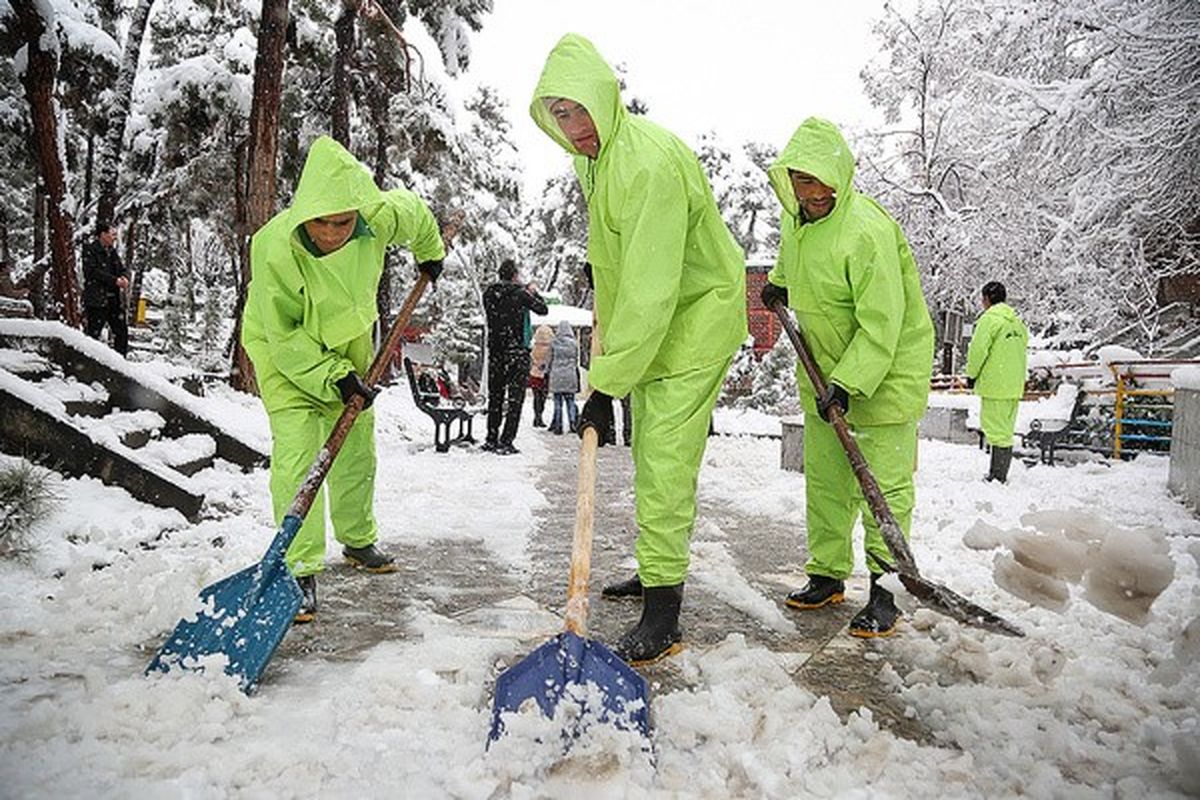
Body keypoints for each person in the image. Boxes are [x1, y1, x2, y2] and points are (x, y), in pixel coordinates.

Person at [531, 33, 748, 664]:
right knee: (650, 454)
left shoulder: (647, 163)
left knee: (664, 462)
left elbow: (652, 290)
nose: (573, 127)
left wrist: (604, 384)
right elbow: (623, 267)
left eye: (580, 109)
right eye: (559, 114)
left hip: (693, 321)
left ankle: (664, 613)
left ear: (604, 98)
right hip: (656, 328)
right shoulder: (597, 162)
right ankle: (657, 569)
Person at [241, 135, 446, 623]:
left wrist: (430, 251)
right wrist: (333, 376)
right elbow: (284, 334)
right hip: (285, 353)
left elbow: (416, 213)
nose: (332, 232)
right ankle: (298, 568)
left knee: (356, 448)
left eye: (342, 222)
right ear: (305, 213)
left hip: (350, 343)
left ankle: (357, 539)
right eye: (322, 222)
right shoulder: (274, 246)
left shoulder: (376, 217)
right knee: (300, 457)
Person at [760, 117, 934, 638]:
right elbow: (795, 263)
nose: (812, 193)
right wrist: (778, 284)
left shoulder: (866, 231)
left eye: (821, 181)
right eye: (801, 180)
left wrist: (850, 381)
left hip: (883, 374)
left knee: (883, 487)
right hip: (824, 375)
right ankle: (827, 574)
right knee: (828, 481)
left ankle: (887, 592)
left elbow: (883, 322)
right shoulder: (796, 220)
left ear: (840, 176)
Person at [482, 259, 548, 454]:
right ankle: (506, 440)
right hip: (517, 352)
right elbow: (543, 309)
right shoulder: (520, 294)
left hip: (496, 351)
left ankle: (491, 438)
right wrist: (533, 292)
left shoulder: (489, 293)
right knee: (515, 399)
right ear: (514, 275)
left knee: (495, 397)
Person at [965, 281, 1029, 483]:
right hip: (1014, 384)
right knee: (1005, 429)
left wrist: (971, 375)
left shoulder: (989, 320)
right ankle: (999, 472)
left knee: (995, 429)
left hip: (995, 384)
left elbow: (978, 351)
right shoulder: (1016, 322)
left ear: (986, 298)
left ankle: (997, 475)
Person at [82, 222, 130, 355]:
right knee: (93, 334)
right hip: (96, 300)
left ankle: (120, 361)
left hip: (114, 300)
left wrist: (124, 278)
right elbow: (93, 272)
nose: (114, 238)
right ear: (103, 234)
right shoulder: (90, 250)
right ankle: (90, 360)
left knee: (121, 332)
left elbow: (121, 268)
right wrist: (114, 281)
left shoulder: (112, 252)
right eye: (112, 234)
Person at [544, 319, 580, 434]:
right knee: (570, 402)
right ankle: (573, 423)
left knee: (558, 402)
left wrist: (547, 371)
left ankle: (558, 426)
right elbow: (576, 360)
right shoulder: (574, 344)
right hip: (570, 375)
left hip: (556, 376)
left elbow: (549, 360)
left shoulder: (554, 343)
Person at [529, 324, 554, 427]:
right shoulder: (551, 348)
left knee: (536, 397)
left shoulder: (534, 346)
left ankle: (537, 417)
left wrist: (536, 365)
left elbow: (531, 360)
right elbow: (550, 361)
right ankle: (539, 417)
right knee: (543, 397)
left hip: (534, 374)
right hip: (545, 376)